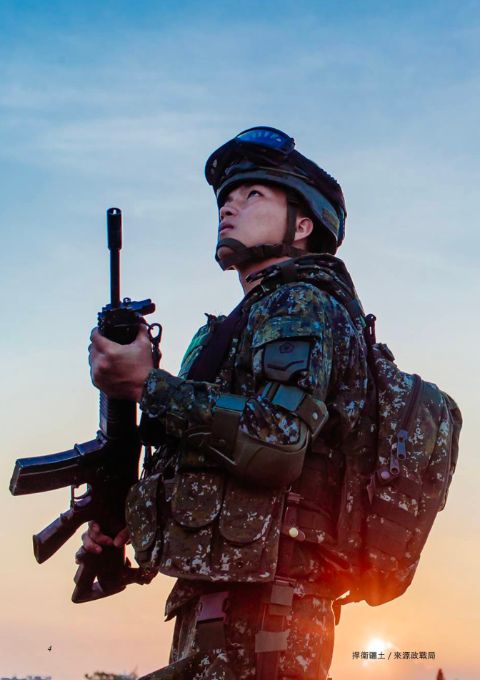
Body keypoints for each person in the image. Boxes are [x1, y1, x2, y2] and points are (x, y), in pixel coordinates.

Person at [83, 126, 371, 680]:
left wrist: (149, 385)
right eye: (225, 197)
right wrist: (128, 525)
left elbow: (277, 445)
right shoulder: (243, 323)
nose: (229, 206)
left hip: (268, 617)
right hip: (231, 608)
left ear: (303, 225)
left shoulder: (301, 303)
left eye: (253, 194)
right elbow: (207, 471)